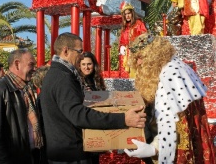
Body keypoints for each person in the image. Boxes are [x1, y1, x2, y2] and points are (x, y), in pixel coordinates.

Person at [40, 32, 146, 164]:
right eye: (79, 51)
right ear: (66, 51)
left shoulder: (57, 74)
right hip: (71, 156)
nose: (81, 56)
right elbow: (78, 115)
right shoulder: (62, 78)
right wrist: (123, 119)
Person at [124, 33, 216, 163]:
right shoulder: (173, 67)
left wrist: (154, 149)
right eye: (136, 59)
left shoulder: (169, 75)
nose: (138, 63)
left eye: (140, 57)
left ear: (153, 55)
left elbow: (175, 126)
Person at [0, 49, 44, 164]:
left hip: (29, 155)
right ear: (17, 64)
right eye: (31, 64)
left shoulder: (26, 89)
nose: (34, 69)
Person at [119, 2, 147, 78]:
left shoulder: (139, 24)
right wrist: (122, 46)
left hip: (138, 53)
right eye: (125, 14)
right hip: (127, 55)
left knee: (137, 75)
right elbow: (122, 41)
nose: (127, 16)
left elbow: (145, 38)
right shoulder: (124, 27)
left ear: (132, 13)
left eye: (129, 13)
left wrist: (140, 55)